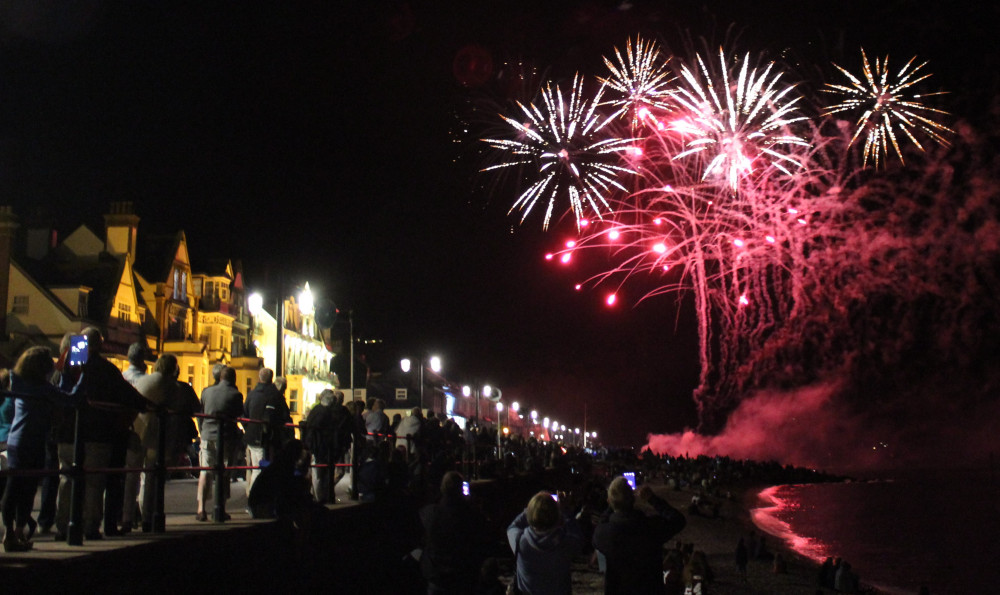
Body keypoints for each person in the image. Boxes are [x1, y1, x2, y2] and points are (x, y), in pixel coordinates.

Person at [2, 347, 82, 551]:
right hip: (34, 442)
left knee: (14, 488)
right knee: (26, 491)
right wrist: (78, 376)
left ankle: (11, 533)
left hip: (17, 441)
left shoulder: (19, 380)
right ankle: (16, 533)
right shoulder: (43, 389)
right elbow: (70, 399)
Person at [592, 478, 687, 595]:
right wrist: (652, 499)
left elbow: (601, 523)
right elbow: (678, 520)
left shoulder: (603, 533)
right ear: (633, 499)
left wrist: (612, 503)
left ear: (609, 501)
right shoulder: (650, 527)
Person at [419, 471, 490, 594]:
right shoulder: (472, 516)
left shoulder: (430, 513)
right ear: (461, 489)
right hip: (463, 576)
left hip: (437, 576)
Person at [132, 354, 180, 531]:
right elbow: (176, 410)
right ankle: (149, 517)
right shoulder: (171, 386)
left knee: (132, 475)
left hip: (136, 429)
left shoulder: (144, 380)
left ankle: (127, 517)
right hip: (155, 434)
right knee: (151, 477)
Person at [506, 490, 584, 594]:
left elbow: (512, 527)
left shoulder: (520, 541)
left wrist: (531, 510)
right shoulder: (565, 543)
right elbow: (577, 535)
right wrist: (565, 510)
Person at [196, 366, 243, 521]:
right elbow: (238, 416)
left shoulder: (206, 391)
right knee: (223, 474)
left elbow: (200, 414)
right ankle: (219, 508)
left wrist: (202, 430)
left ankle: (201, 509)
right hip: (226, 437)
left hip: (207, 435)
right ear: (233, 379)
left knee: (205, 471)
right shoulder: (236, 394)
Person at [243, 368, 284, 491]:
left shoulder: (252, 394)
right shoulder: (274, 395)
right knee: (261, 470)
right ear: (271, 378)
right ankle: (255, 501)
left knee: (256, 468)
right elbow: (279, 416)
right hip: (265, 438)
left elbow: (244, 413)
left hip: (252, 436)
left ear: (259, 378)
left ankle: (252, 497)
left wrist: (248, 428)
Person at [303, 389, 337, 504]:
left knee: (317, 471)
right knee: (319, 472)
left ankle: (318, 496)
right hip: (319, 445)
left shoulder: (316, 410)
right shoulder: (325, 413)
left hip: (313, 444)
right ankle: (320, 497)